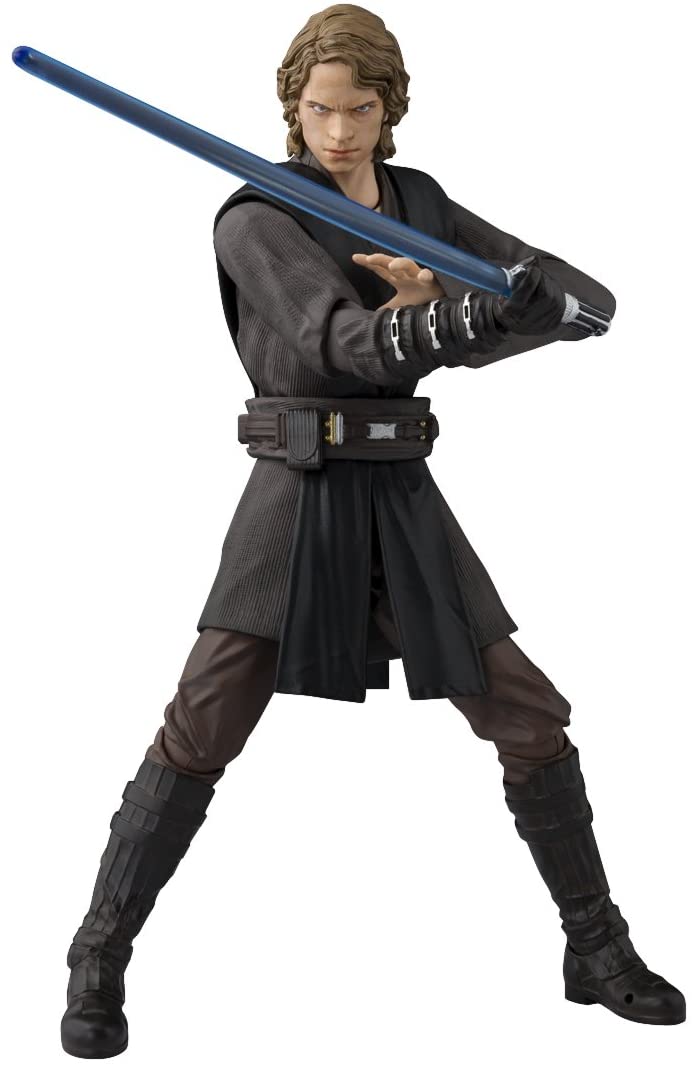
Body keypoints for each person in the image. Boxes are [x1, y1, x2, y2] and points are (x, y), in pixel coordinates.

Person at [60, 4, 685, 1058]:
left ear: (390, 108)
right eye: (319, 110)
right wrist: (456, 319)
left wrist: (517, 307)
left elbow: (571, 299)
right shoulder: (257, 217)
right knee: (202, 726)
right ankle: (97, 954)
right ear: (292, 108)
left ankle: (595, 945)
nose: (339, 132)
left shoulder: (417, 202)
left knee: (527, 713)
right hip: (297, 496)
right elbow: (339, 344)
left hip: (400, 494)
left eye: (359, 109)